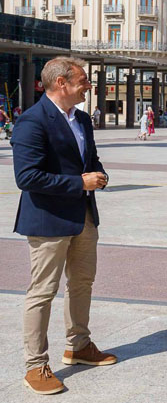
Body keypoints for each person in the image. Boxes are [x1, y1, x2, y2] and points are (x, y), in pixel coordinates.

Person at [11, 56, 116, 395]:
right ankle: (35, 364)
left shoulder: (82, 119)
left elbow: (90, 159)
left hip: (84, 215)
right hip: (48, 219)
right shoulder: (31, 121)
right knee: (42, 292)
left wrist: (98, 176)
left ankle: (79, 345)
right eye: (83, 80)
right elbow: (26, 177)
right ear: (61, 83)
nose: (88, 85)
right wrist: (79, 183)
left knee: (82, 283)